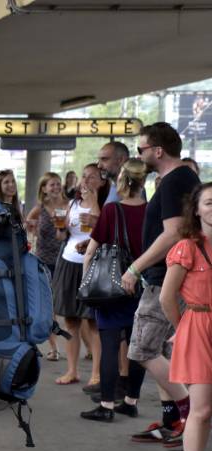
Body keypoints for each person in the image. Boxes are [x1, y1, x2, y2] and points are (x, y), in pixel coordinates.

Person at [120, 122, 196, 446]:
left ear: (158, 150)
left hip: (165, 278)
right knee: (164, 351)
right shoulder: (177, 179)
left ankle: (190, 413)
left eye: (141, 149)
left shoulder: (175, 180)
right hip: (169, 277)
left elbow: (173, 233)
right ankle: (173, 420)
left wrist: (135, 267)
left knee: (142, 349)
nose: (139, 155)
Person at [79, 159, 148, 421]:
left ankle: (106, 405)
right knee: (137, 347)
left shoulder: (112, 210)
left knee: (109, 346)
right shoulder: (152, 211)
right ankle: (131, 401)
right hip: (141, 287)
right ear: (143, 181)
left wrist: (86, 284)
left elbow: (90, 252)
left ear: (121, 180)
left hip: (111, 288)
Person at [161, 182, 212, 451]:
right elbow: (167, 297)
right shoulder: (187, 247)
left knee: (206, 411)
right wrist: (183, 328)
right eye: (209, 202)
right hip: (198, 326)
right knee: (202, 409)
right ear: (196, 209)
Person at [52, 164, 106, 386]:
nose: (86, 180)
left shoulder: (106, 204)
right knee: (71, 321)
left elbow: (102, 231)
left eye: (92, 177)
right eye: (84, 176)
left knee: (93, 322)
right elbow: (61, 236)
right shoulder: (72, 204)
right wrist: (60, 227)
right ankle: (72, 370)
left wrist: (93, 201)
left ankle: (96, 374)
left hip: (93, 264)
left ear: (102, 181)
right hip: (69, 261)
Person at [26, 172, 67, 361]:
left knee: (68, 305)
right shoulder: (39, 209)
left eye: (58, 184)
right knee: (49, 306)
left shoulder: (68, 206)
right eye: (52, 184)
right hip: (43, 261)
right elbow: (27, 227)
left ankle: (88, 345)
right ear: (44, 188)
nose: (56, 187)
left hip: (65, 260)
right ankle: (54, 348)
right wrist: (31, 226)